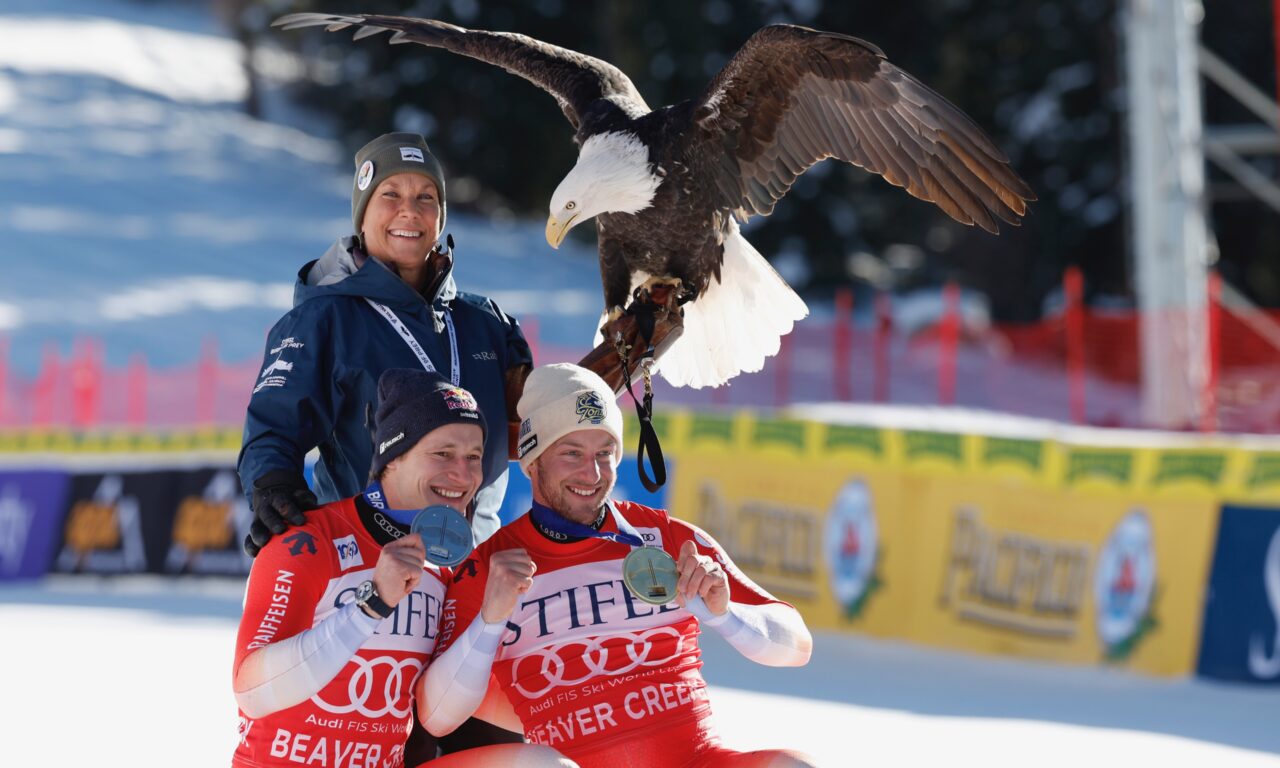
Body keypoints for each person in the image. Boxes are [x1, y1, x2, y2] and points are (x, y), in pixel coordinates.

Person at [416, 363, 819, 768]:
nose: (591, 474)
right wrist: (490, 620)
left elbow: (797, 646)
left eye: (604, 454)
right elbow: (437, 717)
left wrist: (725, 615)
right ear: (533, 458)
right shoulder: (491, 565)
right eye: (572, 453)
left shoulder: (667, 537)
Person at [232, 368, 574, 768]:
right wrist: (370, 605)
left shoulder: (449, 566)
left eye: (474, 457)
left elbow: (439, 715)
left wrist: (490, 621)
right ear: (393, 458)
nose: (463, 475)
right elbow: (252, 693)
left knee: (546, 766)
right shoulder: (310, 538)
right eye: (442, 454)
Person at [238, 132, 533, 558]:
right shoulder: (324, 319)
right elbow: (273, 429)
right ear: (362, 214)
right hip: (366, 565)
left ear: (441, 216)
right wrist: (273, 487)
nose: (409, 211)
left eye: (426, 197)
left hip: (474, 567)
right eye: (390, 194)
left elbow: (535, 426)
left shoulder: (487, 323)